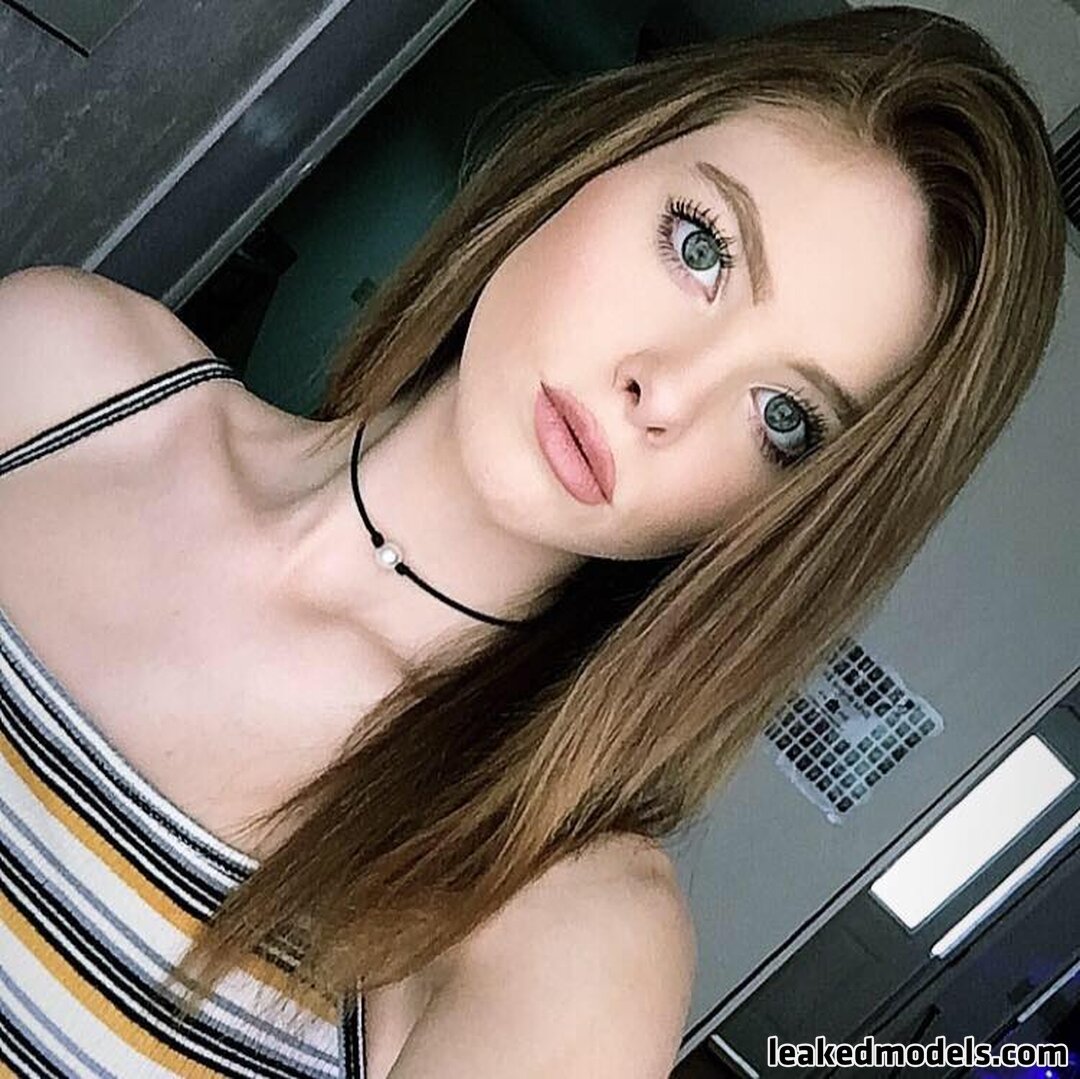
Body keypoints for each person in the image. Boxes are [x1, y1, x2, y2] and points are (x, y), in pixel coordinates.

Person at [0, 4, 1066, 1077]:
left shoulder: (573, 933)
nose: (666, 390)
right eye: (701, 247)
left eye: (783, 417)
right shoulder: (55, 371)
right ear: (597, 158)